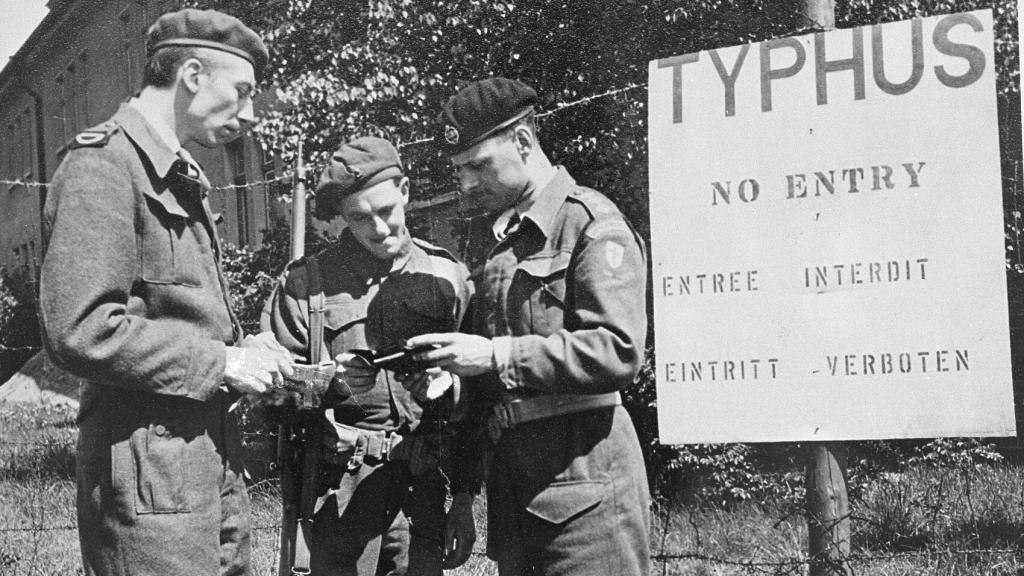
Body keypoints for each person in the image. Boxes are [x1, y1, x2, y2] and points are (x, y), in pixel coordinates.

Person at [37, 9, 293, 576]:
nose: (250, 114)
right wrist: (224, 362)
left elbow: (175, 312)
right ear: (194, 74)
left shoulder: (177, 173)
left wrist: (247, 347)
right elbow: (80, 330)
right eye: (243, 91)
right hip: (147, 488)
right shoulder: (103, 165)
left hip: (206, 469)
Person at [407, 77, 651, 576]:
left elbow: (617, 349)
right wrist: (466, 487)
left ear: (522, 142)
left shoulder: (589, 222)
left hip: (588, 492)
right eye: (460, 170)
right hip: (517, 499)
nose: (469, 183)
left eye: (479, 165)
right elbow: (490, 392)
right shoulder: (501, 247)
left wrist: (496, 355)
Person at [261, 136, 478, 576]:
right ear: (342, 217)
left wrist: (452, 390)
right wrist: (327, 385)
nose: (379, 229)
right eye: (361, 218)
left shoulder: (448, 277)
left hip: (423, 494)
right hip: (337, 500)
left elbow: (483, 396)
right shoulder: (307, 285)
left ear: (405, 191)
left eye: (386, 211)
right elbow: (269, 393)